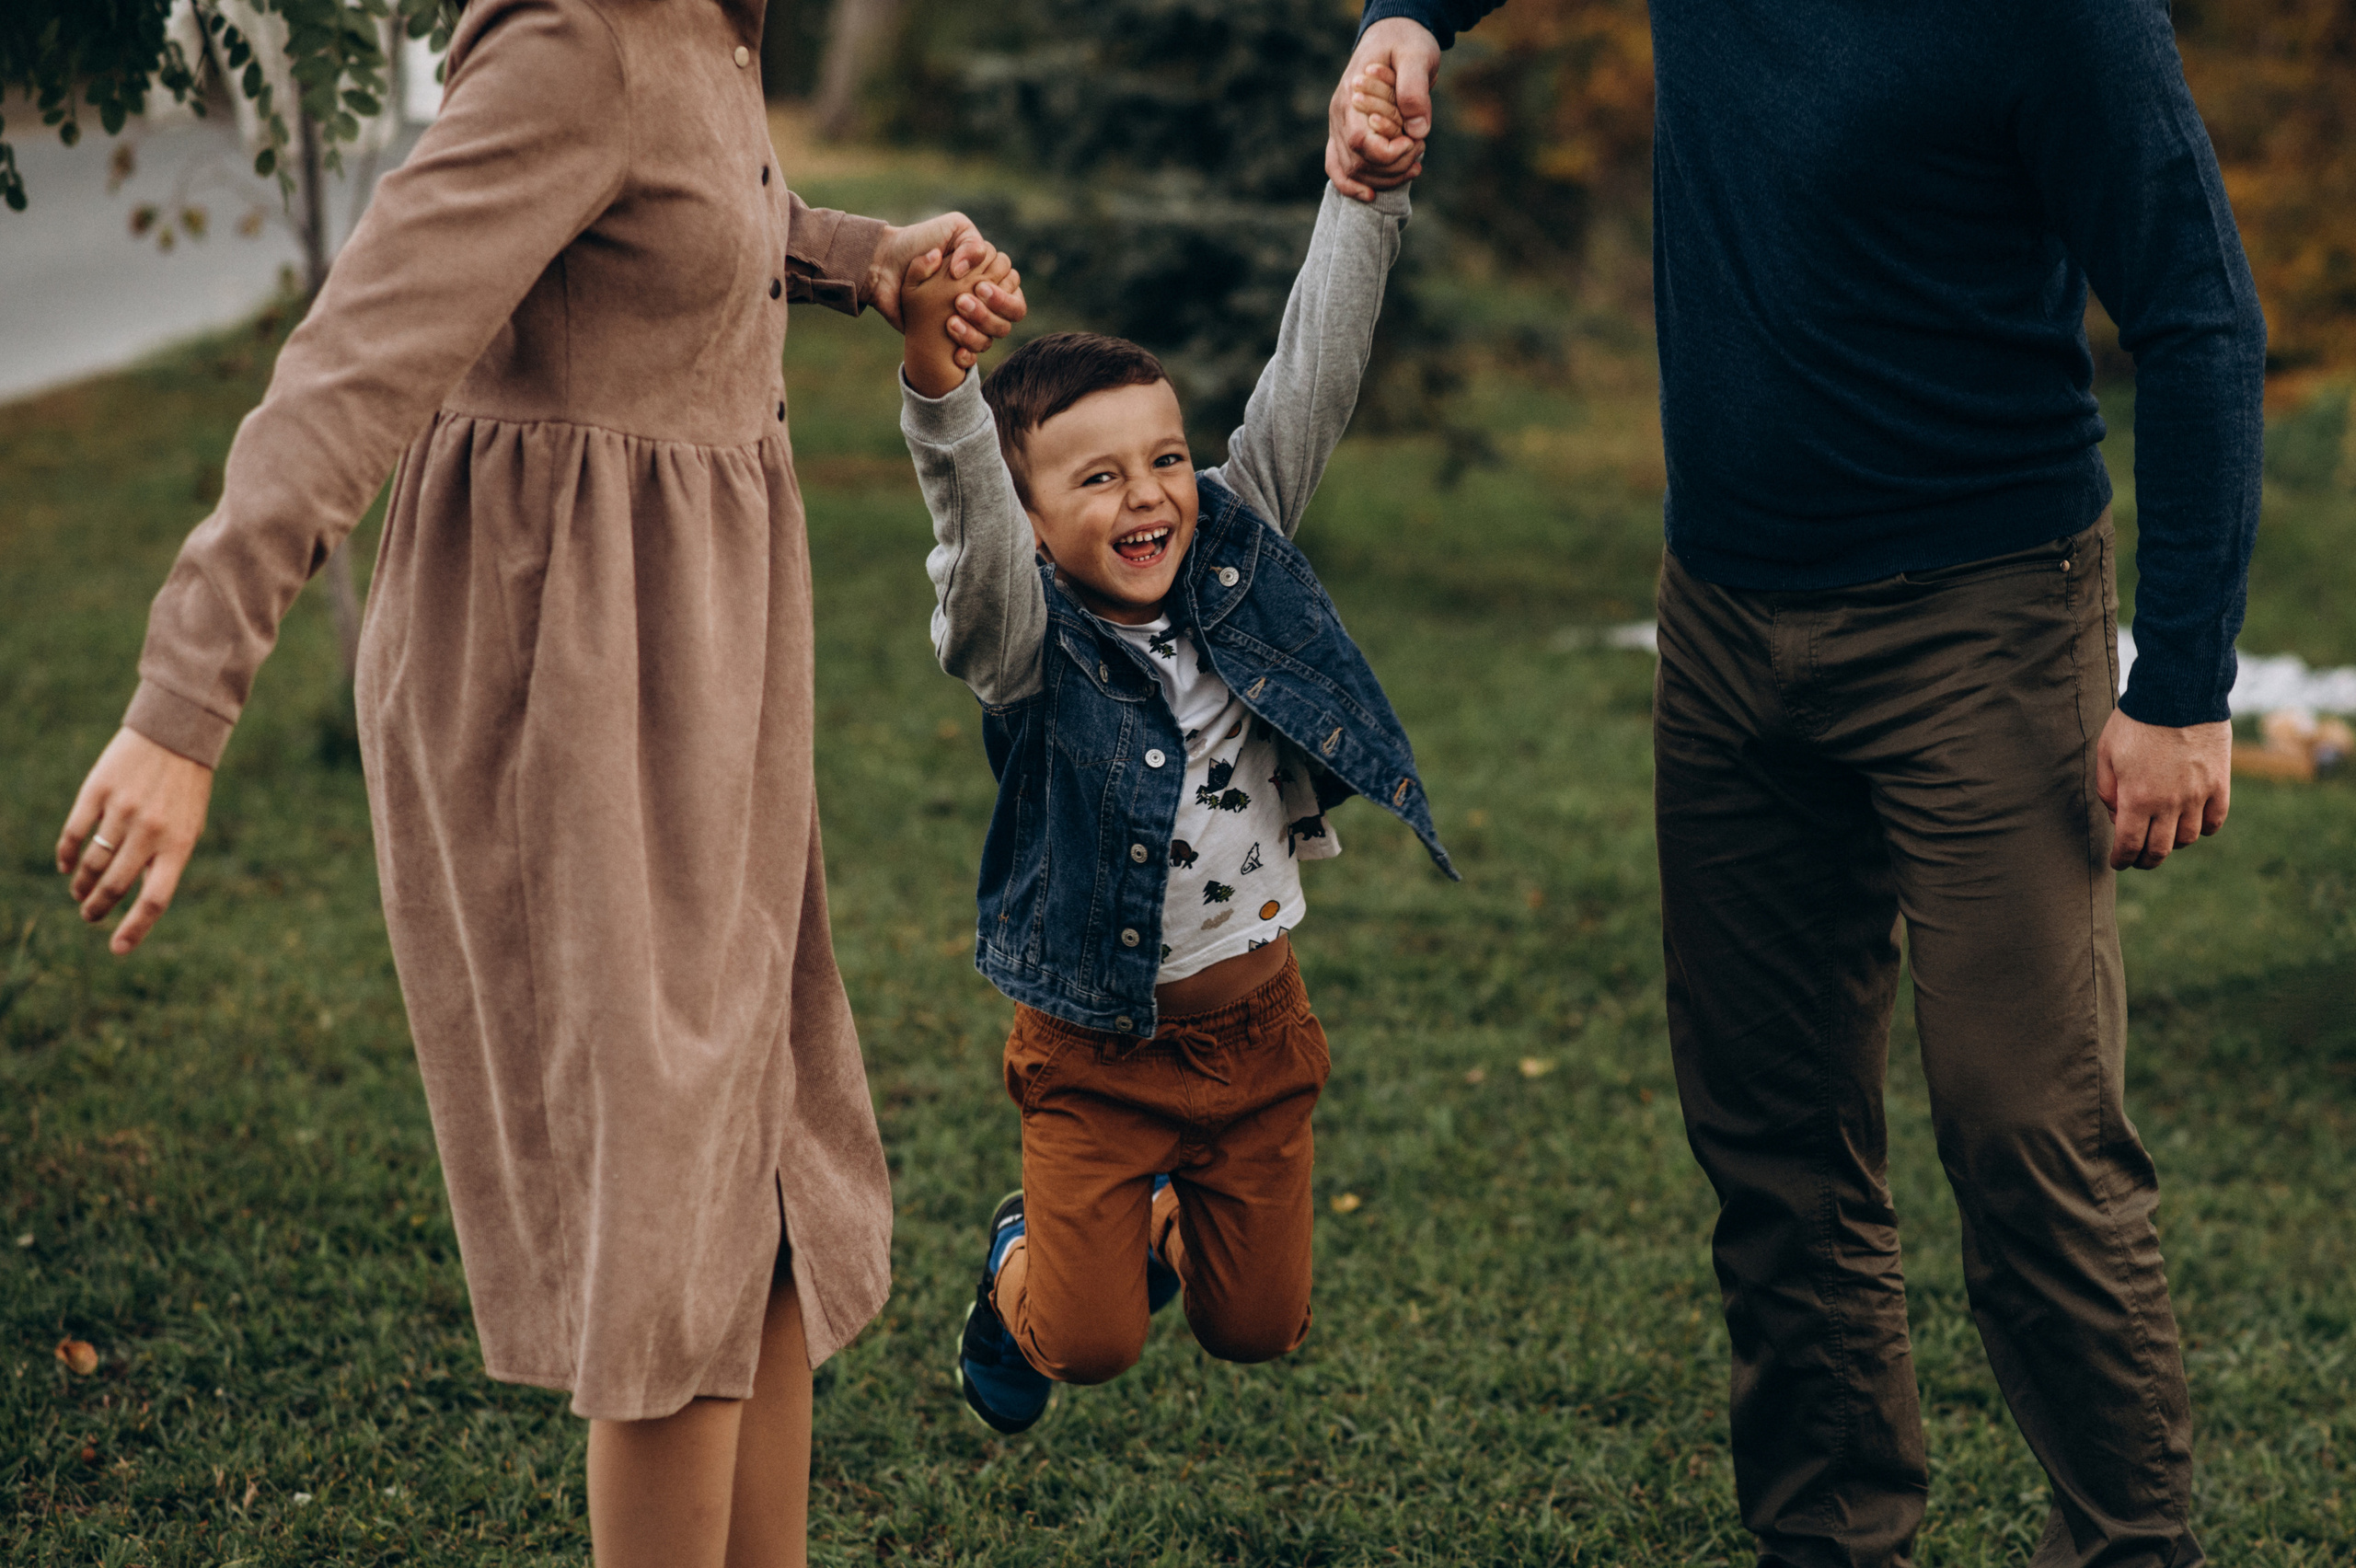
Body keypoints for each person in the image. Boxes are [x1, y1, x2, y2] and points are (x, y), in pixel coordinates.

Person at [52, 2, 1025, 1562]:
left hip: (707, 652)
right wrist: (185, 703)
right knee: (670, 1216)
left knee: (760, 1176)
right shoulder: (578, 38)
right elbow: (351, 362)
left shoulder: (707, 31)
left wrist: (864, 258)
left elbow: (695, 203)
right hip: (571, 665)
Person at [1330, 6, 2263, 1566]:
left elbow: (2200, 315)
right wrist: (1407, 18)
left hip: (1982, 618)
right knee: (1772, 1141)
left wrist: (2181, 687)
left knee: (2026, 1138)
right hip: (1723, 617)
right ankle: (1829, 1541)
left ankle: (2128, 1549)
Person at [890, 66, 1455, 1435]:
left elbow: (1311, 375)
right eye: (1098, 478)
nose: (1148, 495)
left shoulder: (1233, 538)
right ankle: (1023, 1262)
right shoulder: (1025, 647)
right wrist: (941, 386)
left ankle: (1150, 1229)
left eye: (1163, 459)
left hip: (1258, 1034)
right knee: (1084, 1347)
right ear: (1034, 524)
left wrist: (1362, 197)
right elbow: (970, 534)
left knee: (1257, 1329)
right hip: (1096, 1052)